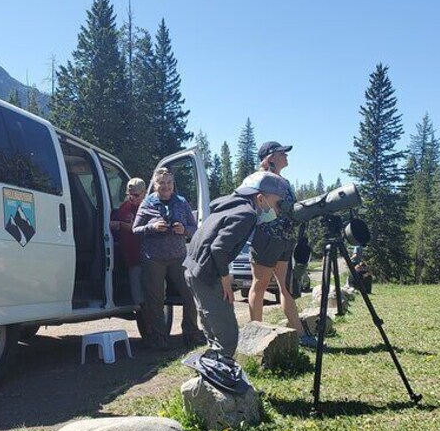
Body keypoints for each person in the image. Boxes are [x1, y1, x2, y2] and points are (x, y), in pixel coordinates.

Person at [183, 172, 290, 357]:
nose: (279, 209)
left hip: (192, 269)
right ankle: (221, 373)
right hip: (208, 273)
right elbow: (218, 248)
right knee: (228, 337)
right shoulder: (246, 214)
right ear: (260, 198)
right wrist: (226, 279)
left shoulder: (231, 206)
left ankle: (211, 370)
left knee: (212, 325)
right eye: (277, 203)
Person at [245, 141, 316, 348]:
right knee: (260, 286)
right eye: (281, 153)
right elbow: (253, 206)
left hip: (284, 240)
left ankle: (300, 334)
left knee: (285, 288)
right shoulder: (256, 179)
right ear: (270, 157)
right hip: (265, 239)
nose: (286, 156)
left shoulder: (283, 181)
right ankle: (256, 335)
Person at [132, 168, 204, 349]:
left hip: (178, 257)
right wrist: (152, 227)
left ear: (173, 185)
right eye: (161, 183)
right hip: (153, 258)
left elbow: (195, 228)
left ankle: (191, 333)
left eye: (168, 183)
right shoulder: (147, 203)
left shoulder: (181, 202)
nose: (165, 187)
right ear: (155, 185)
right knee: (155, 300)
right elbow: (135, 229)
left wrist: (184, 230)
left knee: (189, 294)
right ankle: (159, 338)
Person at [109, 178, 146, 305]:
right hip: (131, 260)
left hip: (148, 260)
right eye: (129, 194)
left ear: (144, 193)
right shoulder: (124, 207)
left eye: (136, 195)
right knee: (138, 298)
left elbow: (144, 229)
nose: (132, 198)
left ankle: (154, 323)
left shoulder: (149, 208)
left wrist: (122, 225)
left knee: (153, 297)